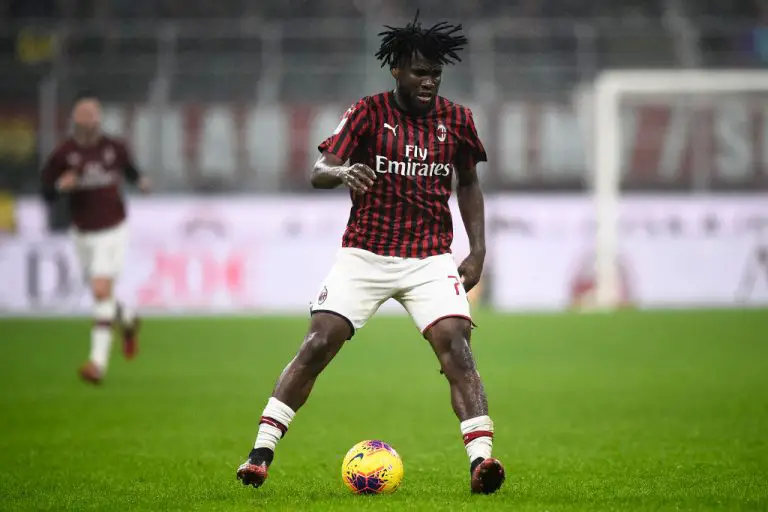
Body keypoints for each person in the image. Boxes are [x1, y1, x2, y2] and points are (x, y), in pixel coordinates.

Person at [237, 13, 505, 494]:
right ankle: (259, 454)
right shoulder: (367, 112)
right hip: (365, 254)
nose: (429, 81)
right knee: (318, 343)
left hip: (429, 258)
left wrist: (478, 249)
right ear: (397, 70)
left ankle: (482, 462)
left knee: (457, 348)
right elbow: (321, 168)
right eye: (420, 72)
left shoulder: (457, 120)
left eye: (435, 73)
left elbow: (468, 183)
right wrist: (342, 174)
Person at [41, 92, 149, 385]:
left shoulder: (114, 147)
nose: (88, 118)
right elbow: (47, 191)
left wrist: (141, 181)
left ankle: (97, 364)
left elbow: (130, 171)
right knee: (102, 295)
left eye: (93, 113)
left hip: (113, 228)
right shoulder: (64, 153)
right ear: (74, 118)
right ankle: (127, 319)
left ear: (99, 118)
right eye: (83, 113)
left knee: (100, 291)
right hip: (82, 231)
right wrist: (60, 186)